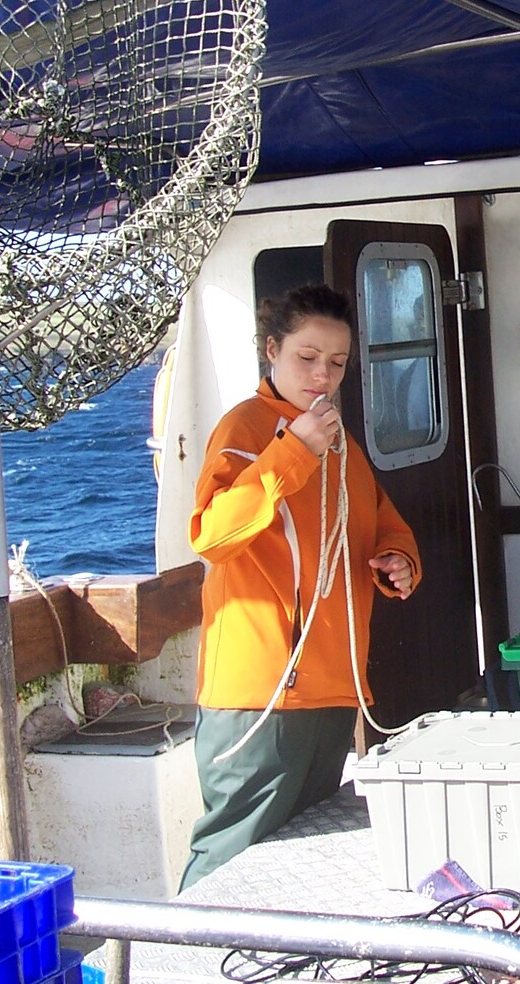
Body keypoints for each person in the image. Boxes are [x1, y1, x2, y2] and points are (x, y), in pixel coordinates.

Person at [181, 283, 421, 889]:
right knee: (232, 849)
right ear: (272, 350)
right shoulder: (246, 427)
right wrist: (291, 452)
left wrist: (398, 561)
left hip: (332, 687)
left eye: (336, 363)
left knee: (299, 849)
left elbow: (379, 520)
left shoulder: (339, 438)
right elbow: (212, 535)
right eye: (306, 358)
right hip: (261, 695)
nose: (322, 375)